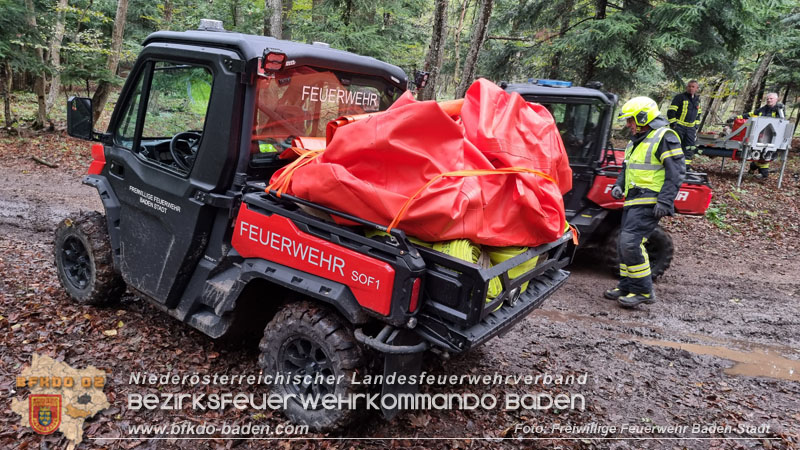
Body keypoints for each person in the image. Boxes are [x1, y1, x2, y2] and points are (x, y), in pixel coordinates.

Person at [604, 97, 686, 308]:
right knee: (624, 244)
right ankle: (626, 285)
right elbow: (627, 168)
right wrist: (618, 185)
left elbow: (676, 173)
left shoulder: (665, 137)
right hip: (633, 199)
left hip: (649, 200)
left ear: (643, 117)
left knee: (631, 243)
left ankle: (643, 291)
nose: (628, 125)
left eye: (631, 120)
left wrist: (665, 201)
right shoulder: (636, 141)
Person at [736, 92, 785, 179]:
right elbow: (751, 114)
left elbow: (782, 121)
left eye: (771, 99)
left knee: (766, 155)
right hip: (759, 135)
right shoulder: (762, 109)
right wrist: (738, 117)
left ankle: (763, 174)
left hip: (771, 137)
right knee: (758, 154)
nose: (769, 100)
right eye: (768, 99)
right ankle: (753, 169)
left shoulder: (779, 110)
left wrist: (781, 109)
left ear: (776, 100)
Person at [667, 80, 701, 171]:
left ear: (697, 88)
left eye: (693, 87)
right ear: (686, 87)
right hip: (679, 127)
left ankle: (686, 168)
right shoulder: (680, 97)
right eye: (689, 86)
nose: (691, 88)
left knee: (689, 148)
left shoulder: (697, 100)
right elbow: (671, 112)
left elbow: (698, 114)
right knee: (675, 147)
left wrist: (696, 126)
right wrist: (674, 124)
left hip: (690, 129)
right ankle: (672, 166)